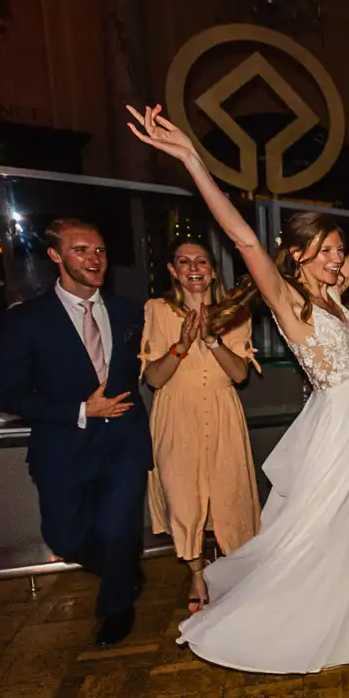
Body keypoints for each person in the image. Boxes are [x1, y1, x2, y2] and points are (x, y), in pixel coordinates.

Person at [126, 104, 349, 672]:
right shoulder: (288, 299)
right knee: (314, 533)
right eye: (325, 252)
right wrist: (192, 160)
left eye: (337, 251)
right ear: (299, 254)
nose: (336, 259)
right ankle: (284, 619)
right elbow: (243, 236)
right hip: (335, 433)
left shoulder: (335, 289)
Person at [0, 218, 150, 646]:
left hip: (123, 442)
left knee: (119, 528)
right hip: (62, 445)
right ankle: (124, 567)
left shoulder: (130, 311)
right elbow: (3, 391)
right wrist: (80, 408)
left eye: (99, 250)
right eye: (81, 250)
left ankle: (116, 609)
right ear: (56, 256)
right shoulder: (26, 320)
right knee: (64, 536)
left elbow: (160, 359)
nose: (94, 259)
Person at [140, 237, 260, 613]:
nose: (193, 267)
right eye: (184, 261)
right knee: (184, 501)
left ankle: (232, 574)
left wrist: (211, 339)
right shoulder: (157, 309)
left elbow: (240, 374)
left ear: (212, 271)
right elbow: (155, 379)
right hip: (177, 416)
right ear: (173, 271)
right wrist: (180, 344)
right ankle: (196, 573)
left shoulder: (235, 311)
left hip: (224, 414)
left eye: (201, 261)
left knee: (230, 499)